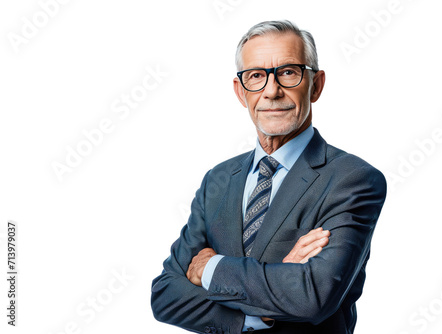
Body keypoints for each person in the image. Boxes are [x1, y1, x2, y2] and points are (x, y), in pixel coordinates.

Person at [151, 20, 386, 334]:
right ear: (240, 91)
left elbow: (312, 297)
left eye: (288, 72)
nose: (272, 91)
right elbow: (166, 296)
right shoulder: (218, 180)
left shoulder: (353, 180)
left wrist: (211, 269)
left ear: (315, 85)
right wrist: (268, 301)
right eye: (256, 76)